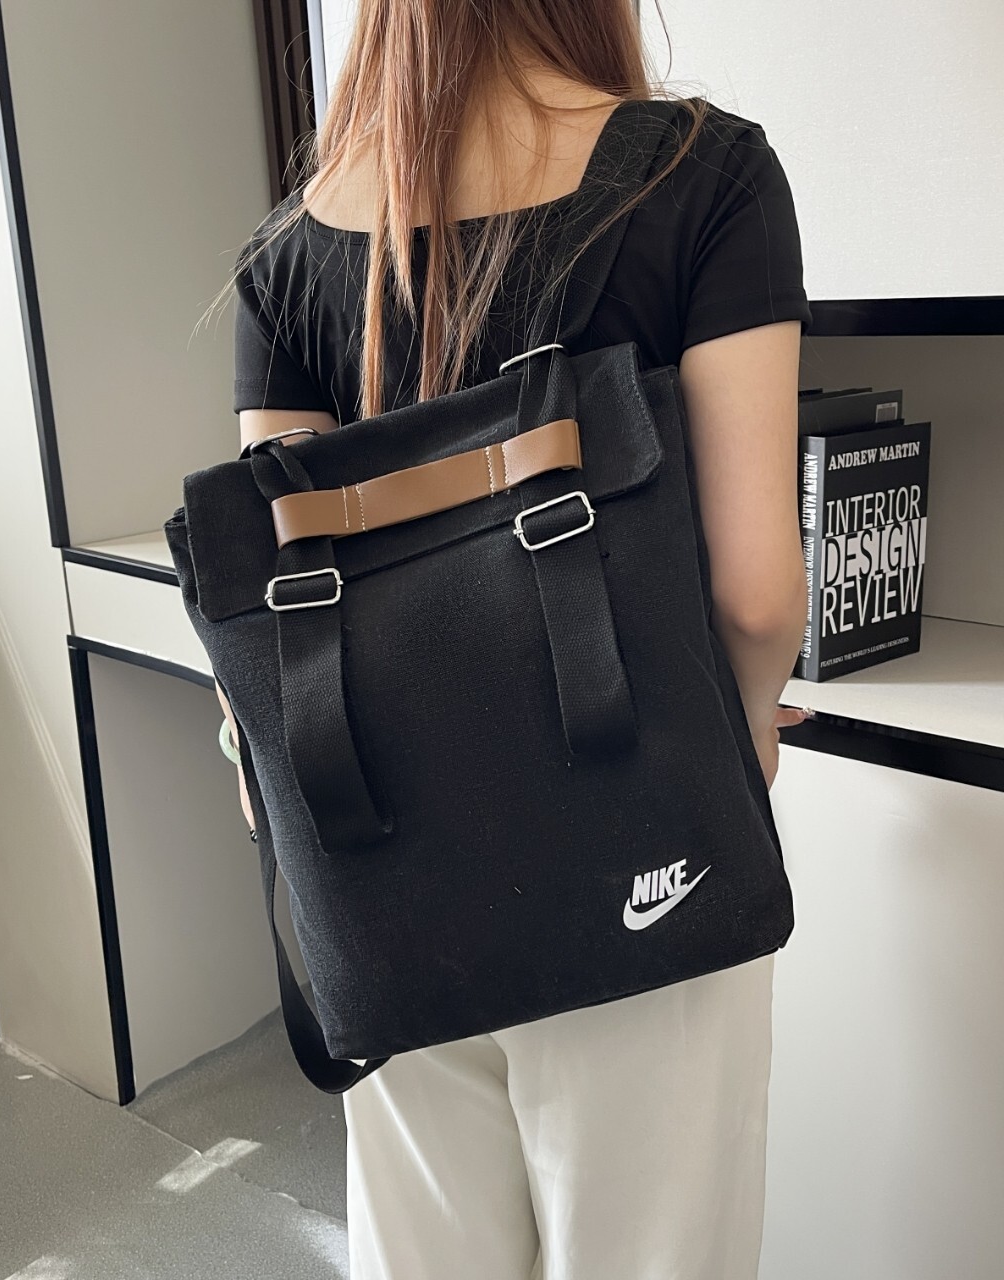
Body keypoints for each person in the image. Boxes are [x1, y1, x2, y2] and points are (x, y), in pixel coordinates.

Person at [210, 2, 812, 1275]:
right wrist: (748, 724)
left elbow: (289, 593)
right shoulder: (705, 176)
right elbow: (759, 597)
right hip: (644, 857)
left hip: (393, 882)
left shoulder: (290, 251)